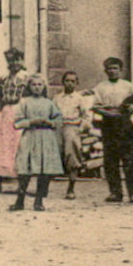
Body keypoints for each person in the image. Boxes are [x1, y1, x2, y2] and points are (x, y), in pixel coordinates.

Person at [91, 57, 133, 203]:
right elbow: (95, 106)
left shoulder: (128, 86)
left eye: (115, 68)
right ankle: (115, 192)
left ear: (121, 70)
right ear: (105, 71)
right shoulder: (100, 87)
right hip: (108, 124)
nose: (112, 71)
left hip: (125, 124)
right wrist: (108, 113)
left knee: (129, 159)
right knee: (110, 159)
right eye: (110, 68)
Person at [10, 74, 64, 211]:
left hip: (46, 138)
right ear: (29, 87)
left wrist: (49, 122)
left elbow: (58, 120)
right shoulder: (24, 102)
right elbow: (17, 122)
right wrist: (31, 122)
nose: (37, 87)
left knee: (44, 170)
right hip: (30, 136)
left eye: (40, 85)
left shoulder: (49, 103)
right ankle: (20, 200)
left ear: (44, 87)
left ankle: (39, 200)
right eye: (34, 85)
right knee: (25, 168)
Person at [0, 47, 32, 193]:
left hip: (22, 112)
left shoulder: (28, 78)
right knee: (2, 145)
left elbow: (36, 95)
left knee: (19, 146)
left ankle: (21, 183)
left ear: (21, 60)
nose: (13, 63)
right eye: (10, 60)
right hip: (7, 113)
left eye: (16, 60)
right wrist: (4, 108)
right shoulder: (4, 78)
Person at [53, 70, 92, 201]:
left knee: (71, 155)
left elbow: (86, 116)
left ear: (77, 83)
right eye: (67, 81)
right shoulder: (57, 98)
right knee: (55, 153)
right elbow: (52, 113)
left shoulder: (79, 98)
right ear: (62, 82)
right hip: (58, 127)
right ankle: (45, 187)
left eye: (72, 81)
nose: (69, 84)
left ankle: (71, 188)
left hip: (72, 128)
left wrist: (80, 128)